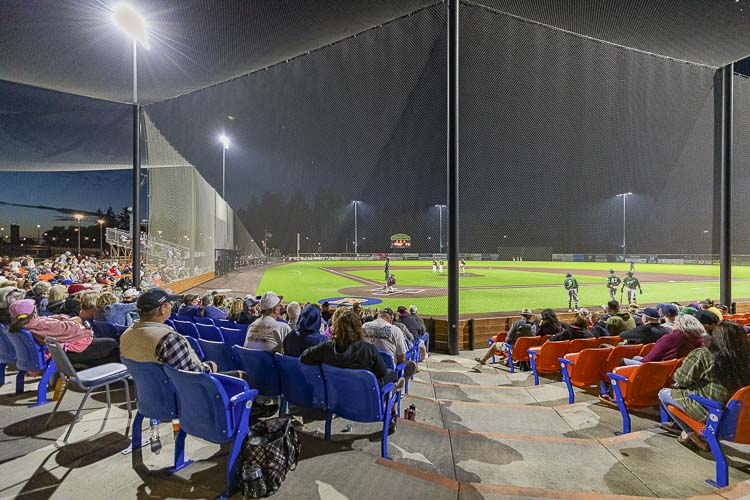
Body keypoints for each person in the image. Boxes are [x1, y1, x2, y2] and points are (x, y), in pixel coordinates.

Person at [300, 310, 406, 431]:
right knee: (391, 373)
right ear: (357, 328)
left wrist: (323, 365)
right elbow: (381, 373)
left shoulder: (326, 347)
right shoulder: (368, 350)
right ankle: (394, 410)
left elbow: (304, 357)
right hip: (365, 403)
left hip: (336, 400)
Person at [659, 321, 750, 451]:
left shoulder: (704, 354)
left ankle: (689, 435)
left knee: (663, 393)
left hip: (715, 413)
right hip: (741, 417)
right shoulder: (745, 356)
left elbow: (681, 379)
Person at [120, 289, 224, 374]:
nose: (171, 305)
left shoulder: (126, 334)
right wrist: (209, 366)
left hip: (147, 393)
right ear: (162, 309)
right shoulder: (169, 339)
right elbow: (190, 376)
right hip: (179, 394)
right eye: (169, 303)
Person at [9, 299, 119, 368]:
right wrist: (70, 320)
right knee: (112, 344)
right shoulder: (42, 325)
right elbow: (73, 329)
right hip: (63, 354)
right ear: (33, 312)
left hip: (54, 352)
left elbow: (54, 320)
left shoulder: (22, 325)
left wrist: (63, 319)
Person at [622, 313, 704, 366]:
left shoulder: (671, 338)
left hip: (661, 369)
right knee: (636, 358)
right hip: (676, 368)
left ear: (679, 324)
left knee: (623, 361)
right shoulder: (700, 338)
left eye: (675, 323)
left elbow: (649, 360)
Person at [362, 308, 416, 376]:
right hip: (388, 371)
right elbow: (402, 358)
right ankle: (397, 384)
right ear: (391, 319)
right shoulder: (395, 330)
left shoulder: (364, 326)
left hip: (367, 369)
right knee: (411, 365)